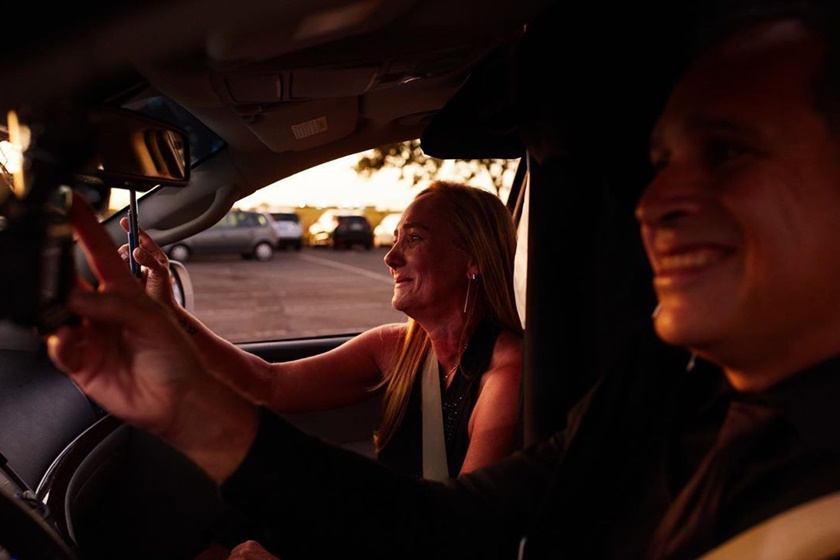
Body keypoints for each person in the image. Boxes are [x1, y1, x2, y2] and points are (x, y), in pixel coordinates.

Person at [46, 2, 840, 558]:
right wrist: (179, 396)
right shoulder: (655, 386)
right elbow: (455, 526)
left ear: (471, 260)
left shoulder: (519, 369)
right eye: (660, 162)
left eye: (729, 152)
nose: (657, 204)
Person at [117, 179, 523, 479]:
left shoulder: (506, 371)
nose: (390, 257)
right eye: (396, 237)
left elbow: (464, 528)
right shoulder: (394, 348)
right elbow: (268, 384)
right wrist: (168, 310)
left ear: (474, 259)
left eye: (413, 238)